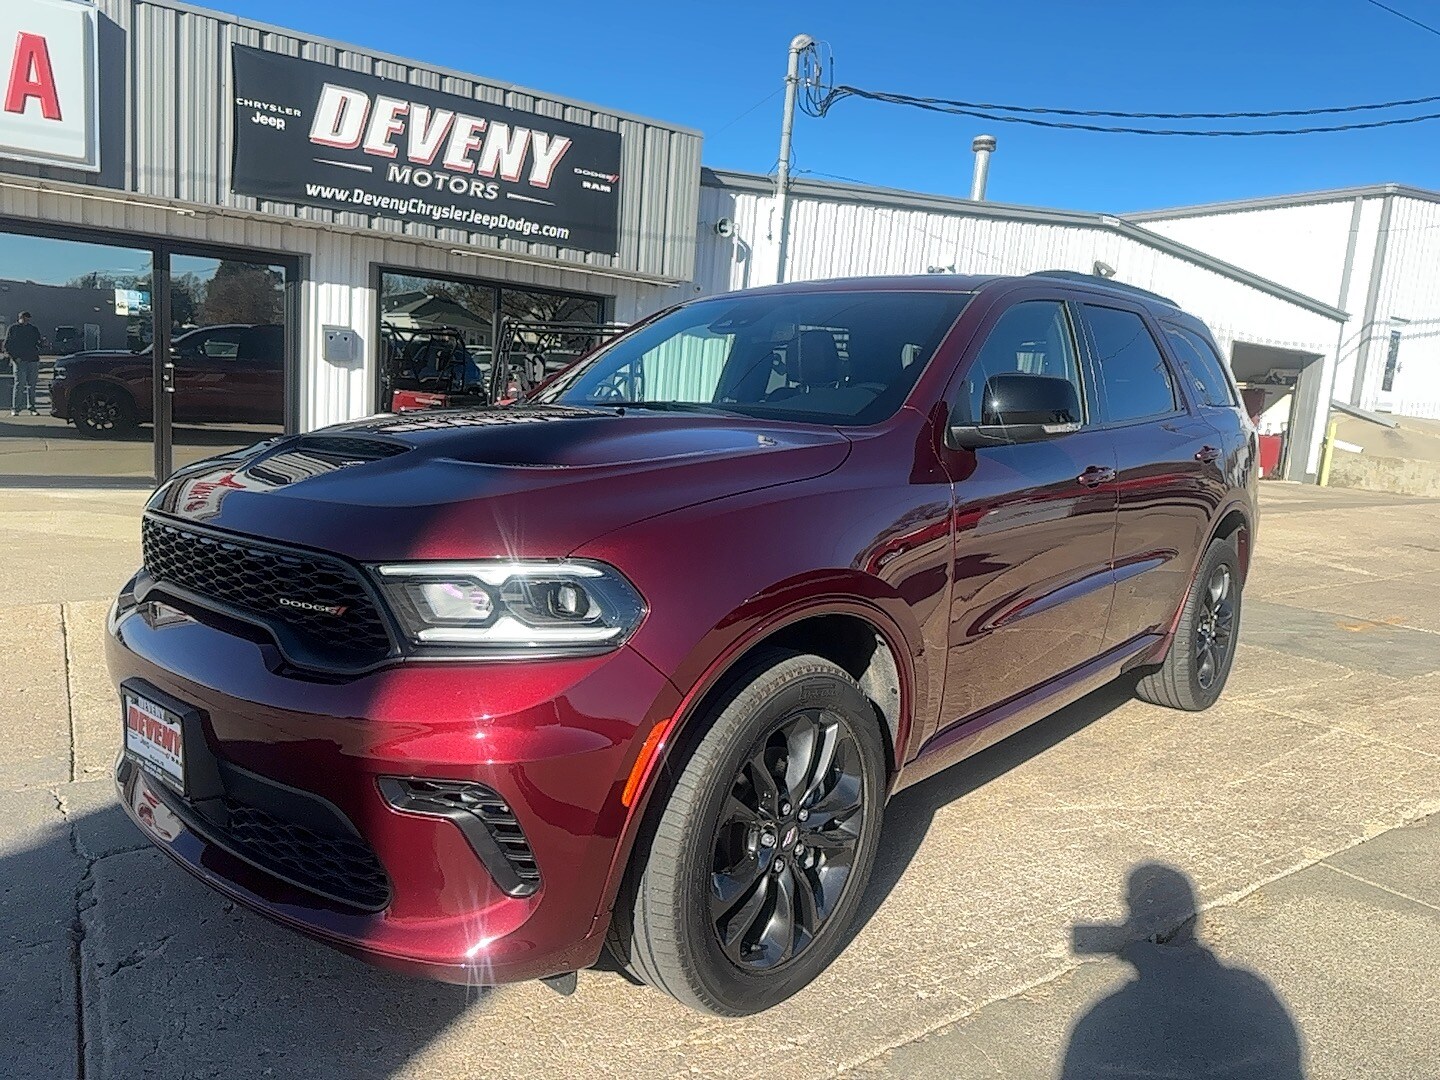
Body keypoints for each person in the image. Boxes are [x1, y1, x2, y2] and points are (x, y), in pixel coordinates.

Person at [4, 312, 44, 416]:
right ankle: (16, 408)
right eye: (25, 318)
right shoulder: (13, 329)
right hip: (19, 361)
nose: (26, 321)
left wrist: (42, 344)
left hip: (33, 360)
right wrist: (14, 358)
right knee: (19, 385)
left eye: (28, 319)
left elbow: (38, 342)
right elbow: (7, 345)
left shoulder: (33, 329)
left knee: (32, 386)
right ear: (20, 318)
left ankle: (32, 407)